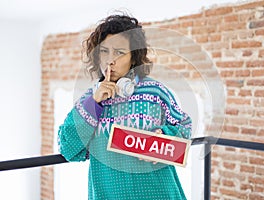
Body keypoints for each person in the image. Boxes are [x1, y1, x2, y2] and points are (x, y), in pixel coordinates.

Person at [58, 13, 192, 200]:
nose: (109, 60)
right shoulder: (90, 99)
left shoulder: (155, 92)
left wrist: (164, 138)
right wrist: (94, 103)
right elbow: (68, 148)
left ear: (134, 57)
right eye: (104, 51)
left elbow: (184, 128)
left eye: (119, 52)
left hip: (159, 193)